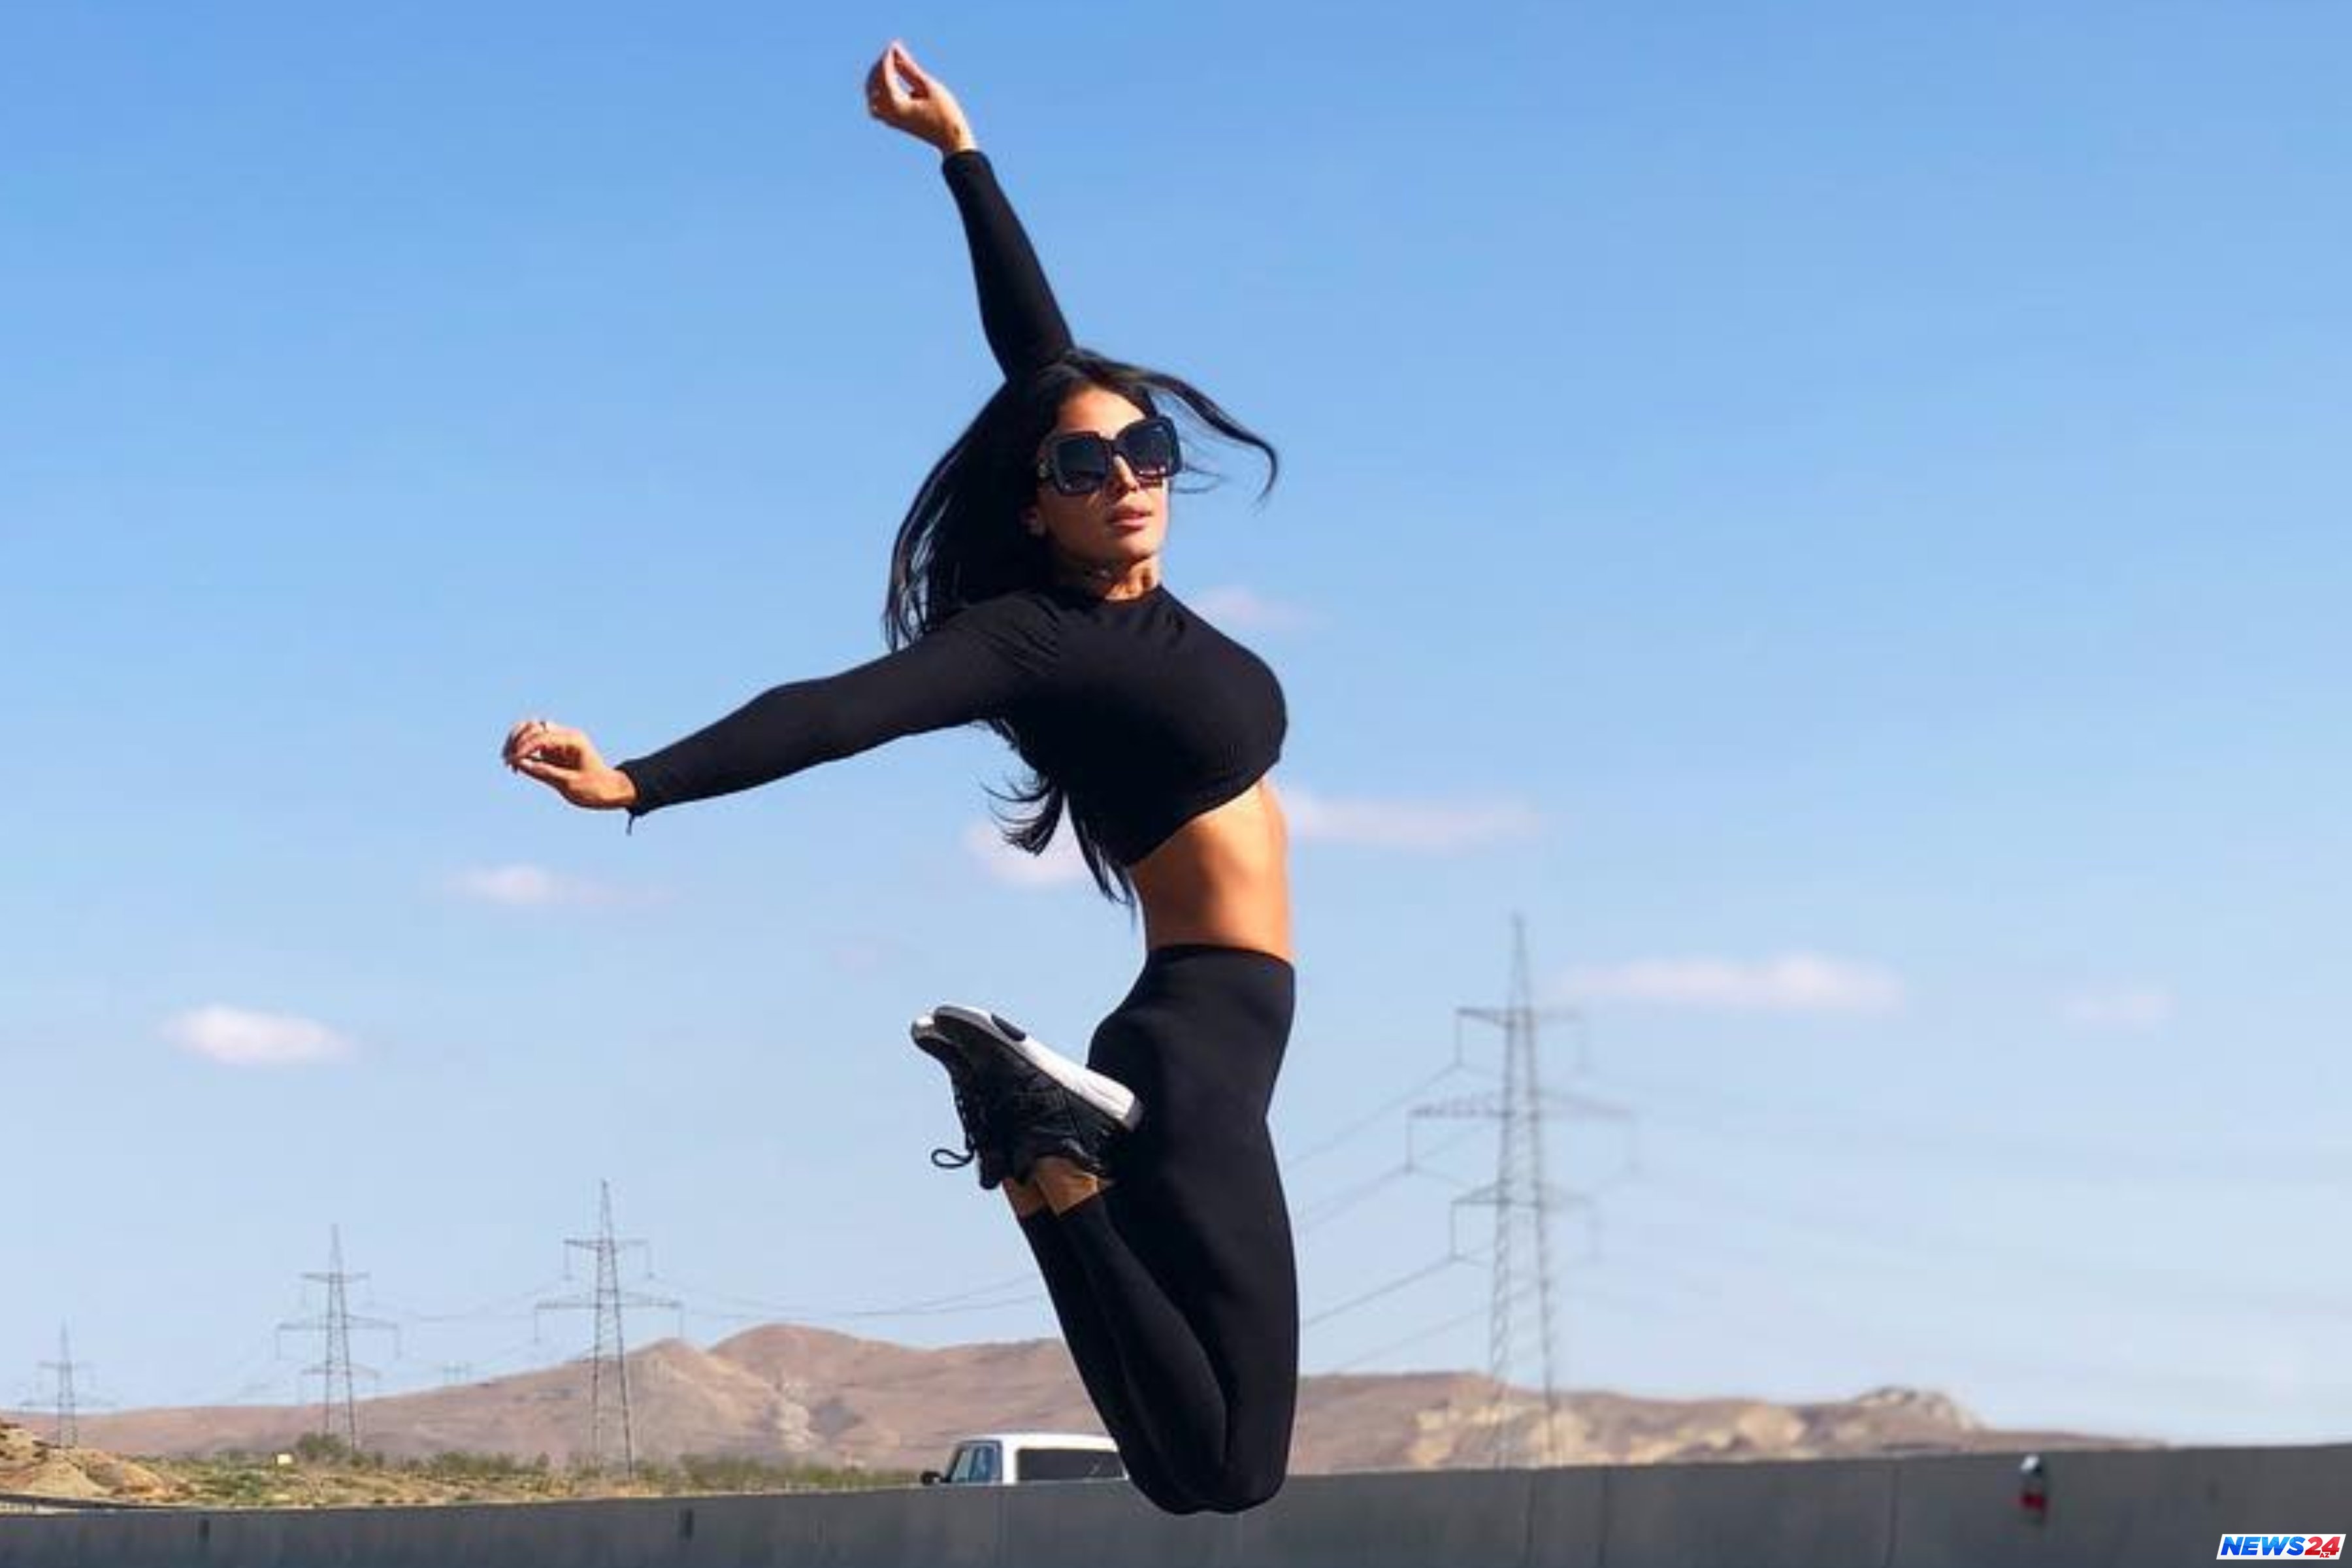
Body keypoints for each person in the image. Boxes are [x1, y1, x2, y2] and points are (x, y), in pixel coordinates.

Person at [501, 41, 1299, 1514]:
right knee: (1235, 1475)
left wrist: (962, 157)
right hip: (1198, 1044)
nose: (1126, 477)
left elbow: (1039, 355)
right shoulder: (1035, 638)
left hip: (1193, 1047)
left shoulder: (1131, 597)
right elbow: (838, 712)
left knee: (1191, 1476)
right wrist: (638, 785)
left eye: (1144, 451)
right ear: (1036, 508)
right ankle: (1054, 1152)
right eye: (1083, 469)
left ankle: (1050, 1168)